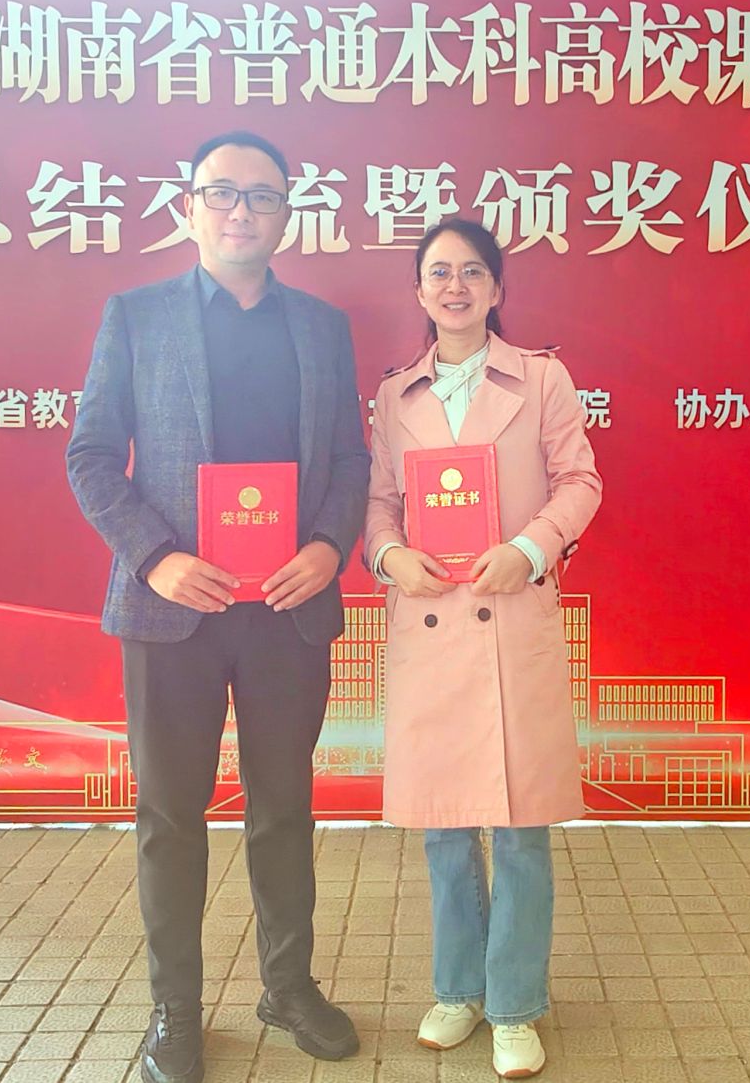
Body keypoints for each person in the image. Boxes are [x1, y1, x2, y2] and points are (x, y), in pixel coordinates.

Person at [65, 131, 369, 1083]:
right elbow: (90, 455)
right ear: (189, 206)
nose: (242, 210)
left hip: (286, 607)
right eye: (223, 193)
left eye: (263, 196)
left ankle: (288, 986)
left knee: (284, 806)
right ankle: (176, 1009)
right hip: (174, 613)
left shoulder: (320, 326)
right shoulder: (137, 316)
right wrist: (155, 558)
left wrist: (329, 547)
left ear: (287, 214)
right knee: (170, 813)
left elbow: (351, 459)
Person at [363, 216, 602, 1079]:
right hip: (432, 624)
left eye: (471, 271)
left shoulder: (541, 377)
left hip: (511, 614)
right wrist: (390, 555)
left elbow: (580, 480)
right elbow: (379, 502)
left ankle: (514, 1003)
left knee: (522, 830)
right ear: (419, 291)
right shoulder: (397, 396)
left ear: (497, 288)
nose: (454, 286)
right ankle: (458, 989)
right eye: (438, 272)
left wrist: (530, 547)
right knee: (444, 829)